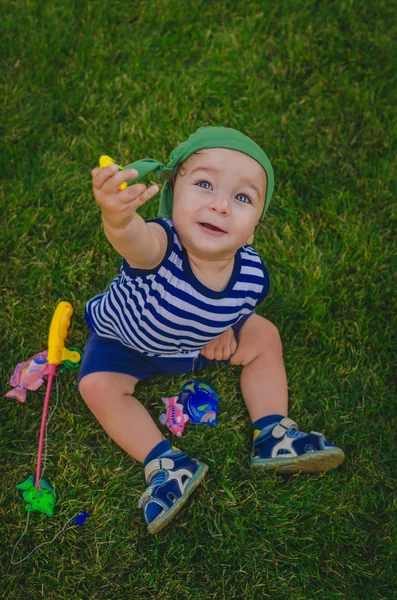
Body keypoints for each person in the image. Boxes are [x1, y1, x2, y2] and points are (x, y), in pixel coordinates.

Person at [78, 126, 344, 534]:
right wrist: (117, 216)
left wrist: (227, 327)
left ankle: (273, 431)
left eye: (242, 197)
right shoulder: (159, 247)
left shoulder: (252, 273)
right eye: (204, 184)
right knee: (96, 386)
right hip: (126, 343)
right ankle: (166, 463)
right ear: (172, 200)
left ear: (254, 228)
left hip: (196, 343)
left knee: (265, 336)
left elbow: (241, 306)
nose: (221, 205)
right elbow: (130, 238)